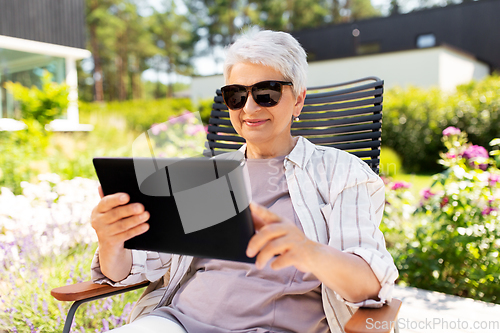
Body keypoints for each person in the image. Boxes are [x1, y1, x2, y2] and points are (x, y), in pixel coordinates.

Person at [90, 30, 398, 333]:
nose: (249, 108)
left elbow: (369, 284)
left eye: (267, 93)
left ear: (298, 101)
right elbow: (130, 268)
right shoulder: (206, 176)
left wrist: (308, 250)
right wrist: (112, 240)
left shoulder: (341, 173)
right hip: (177, 323)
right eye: (236, 95)